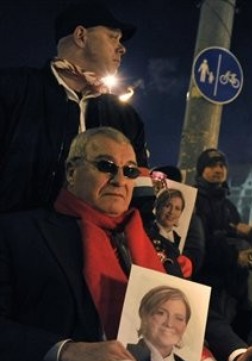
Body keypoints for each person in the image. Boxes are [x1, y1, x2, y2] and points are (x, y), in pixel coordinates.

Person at [0, 127, 252, 361]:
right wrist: (67, 351)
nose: (119, 179)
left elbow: (193, 313)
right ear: (72, 171)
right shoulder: (19, 233)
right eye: (106, 166)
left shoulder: (156, 245)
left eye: (129, 171)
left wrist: (242, 355)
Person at [0, 2, 149, 214]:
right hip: (15, 242)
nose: (122, 48)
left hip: (94, 244)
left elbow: (139, 192)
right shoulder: (13, 90)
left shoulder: (125, 116)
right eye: (112, 37)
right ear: (81, 36)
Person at [193, 148, 252, 339]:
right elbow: (202, 242)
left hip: (228, 287)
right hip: (205, 283)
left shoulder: (228, 206)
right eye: (211, 165)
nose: (218, 169)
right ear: (201, 170)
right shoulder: (195, 201)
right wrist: (236, 256)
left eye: (222, 165)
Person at [128, 286, 193, 361]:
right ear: (144, 315)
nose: (169, 324)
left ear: (185, 325)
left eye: (179, 318)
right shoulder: (126, 357)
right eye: (161, 313)